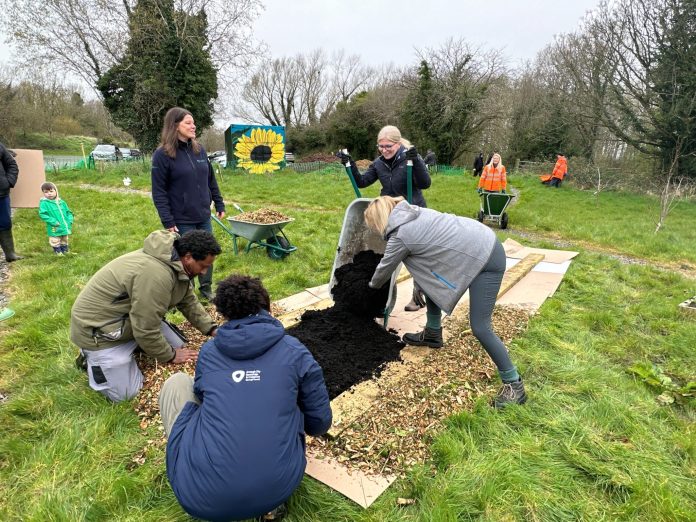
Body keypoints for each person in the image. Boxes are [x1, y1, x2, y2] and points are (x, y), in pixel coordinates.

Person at [160, 274, 332, 522]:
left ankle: (194, 463)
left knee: (177, 383)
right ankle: (270, 508)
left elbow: (201, 397)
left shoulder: (209, 352)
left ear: (224, 315)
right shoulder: (294, 351)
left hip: (199, 497)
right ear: (268, 308)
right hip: (278, 487)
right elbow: (319, 424)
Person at [364, 196, 527, 408]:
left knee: (480, 326)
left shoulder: (402, 235)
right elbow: (428, 258)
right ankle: (432, 333)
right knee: (429, 280)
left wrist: (365, 289)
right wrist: (419, 281)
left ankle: (514, 384)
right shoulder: (414, 212)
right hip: (479, 242)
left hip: (486, 257)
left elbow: (382, 272)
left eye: (374, 226)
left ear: (379, 221)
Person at [70, 230, 222, 402]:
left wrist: (212, 329)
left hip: (129, 319)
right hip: (100, 331)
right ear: (188, 257)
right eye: (203, 266)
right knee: (126, 395)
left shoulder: (176, 263)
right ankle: (89, 356)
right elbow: (146, 328)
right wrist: (170, 356)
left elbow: (188, 301)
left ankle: (136, 347)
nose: (204, 272)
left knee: (179, 344)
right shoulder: (157, 275)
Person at [336, 125, 432, 312]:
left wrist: (417, 162)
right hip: (391, 216)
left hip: (413, 213)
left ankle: (418, 296)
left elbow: (425, 184)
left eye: (388, 146)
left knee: (416, 258)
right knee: (389, 254)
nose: (384, 150)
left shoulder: (410, 159)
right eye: (381, 146)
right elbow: (361, 182)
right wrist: (350, 164)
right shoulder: (379, 163)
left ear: (398, 143)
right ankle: (382, 293)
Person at [151, 107, 226, 301]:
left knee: (208, 252)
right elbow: (158, 191)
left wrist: (219, 203)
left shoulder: (199, 150)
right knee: (187, 257)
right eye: (188, 123)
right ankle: (187, 293)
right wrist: (167, 220)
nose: (193, 126)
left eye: (193, 123)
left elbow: (210, 180)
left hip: (203, 215)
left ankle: (207, 288)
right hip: (181, 218)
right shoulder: (163, 155)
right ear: (175, 126)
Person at [0, 142, 23, 262]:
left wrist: (8, 182)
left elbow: (11, 164)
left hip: (1, 194)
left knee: (5, 223)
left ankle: (10, 254)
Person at [38, 182, 74, 255]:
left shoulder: (61, 202)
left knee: (64, 238)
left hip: (64, 225)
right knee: (55, 239)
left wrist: (70, 220)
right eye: (46, 192)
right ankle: (58, 252)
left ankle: (65, 251)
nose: (49, 193)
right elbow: (43, 214)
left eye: (51, 191)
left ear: (56, 191)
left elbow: (68, 212)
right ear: (43, 193)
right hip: (54, 226)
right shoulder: (44, 203)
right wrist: (53, 221)